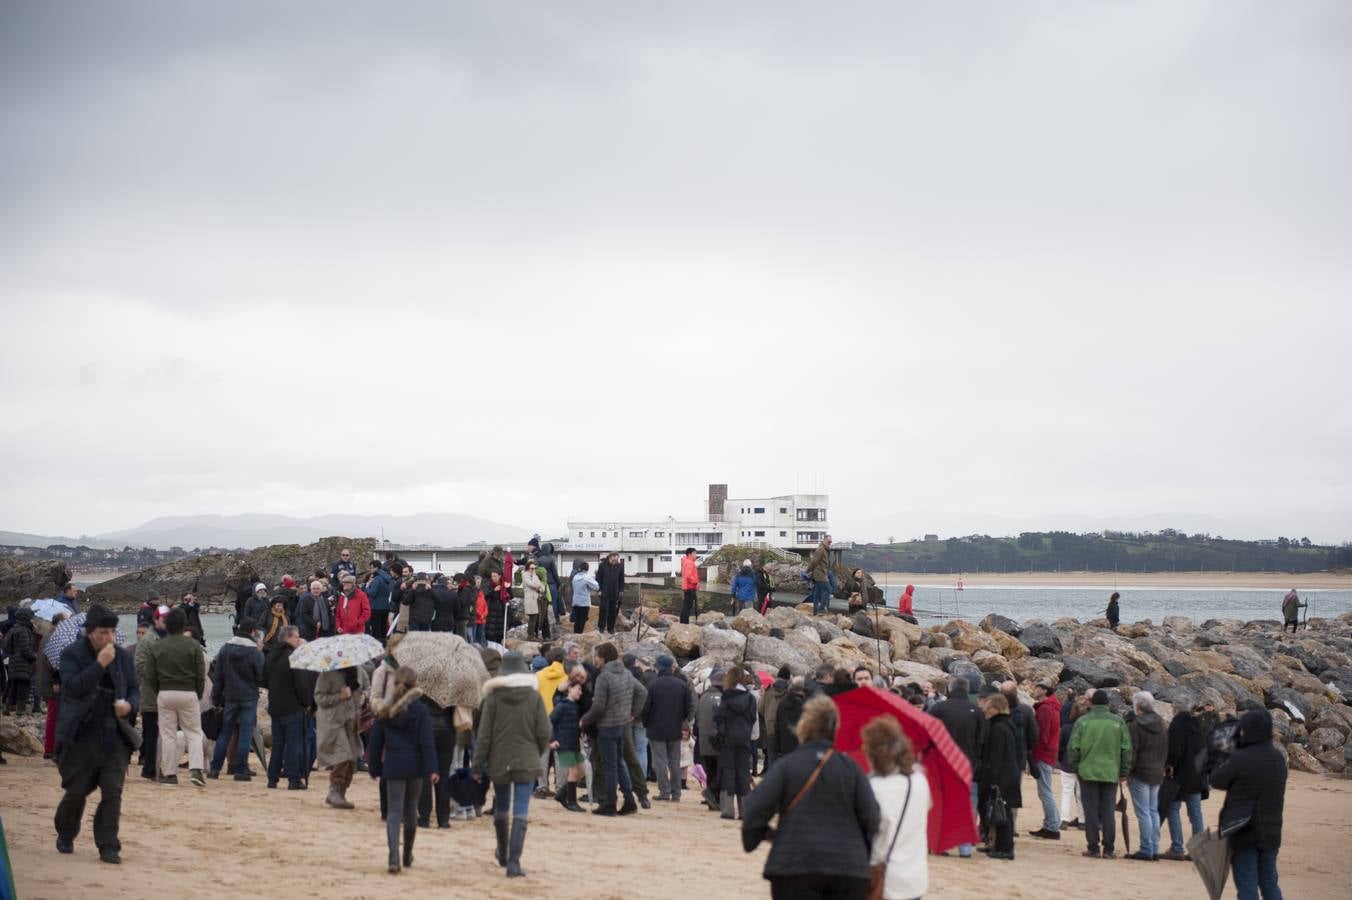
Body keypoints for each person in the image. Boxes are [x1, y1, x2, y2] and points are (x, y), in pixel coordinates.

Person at [741, 695, 880, 900]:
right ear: (835, 729)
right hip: (848, 868)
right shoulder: (852, 769)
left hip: (795, 863)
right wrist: (859, 849)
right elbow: (872, 817)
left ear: (803, 726)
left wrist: (763, 834)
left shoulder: (788, 765)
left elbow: (755, 806)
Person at [53, 604, 139, 864]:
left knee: (113, 792)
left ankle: (108, 845)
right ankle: (66, 832)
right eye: (103, 632)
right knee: (77, 791)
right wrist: (99, 665)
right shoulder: (72, 654)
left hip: (114, 737)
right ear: (90, 632)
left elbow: (135, 689)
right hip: (81, 736)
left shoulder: (123, 656)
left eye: (112, 631)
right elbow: (73, 687)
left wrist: (130, 705)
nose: (109, 638)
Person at [474, 650, 552, 878]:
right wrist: (535, 752)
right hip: (527, 759)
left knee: (501, 809)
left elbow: (484, 735)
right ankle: (514, 863)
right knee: (520, 811)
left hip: (499, 759)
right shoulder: (534, 697)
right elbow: (544, 731)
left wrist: (478, 765)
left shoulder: (493, 698)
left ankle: (503, 852)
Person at [1211, 708, 1287, 900]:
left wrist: (1228, 752)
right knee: (1269, 884)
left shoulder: (1241, 757)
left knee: (1247, 886)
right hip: (1271, 829)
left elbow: (1217, 779)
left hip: (1244, 828)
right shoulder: (1279, 759)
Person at [367, 666, 437, 874]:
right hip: (415, 766)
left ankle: (393, 857)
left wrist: (374, 768)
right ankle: (407, 854)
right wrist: (431, 768)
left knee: (394, 812)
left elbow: (376, 742)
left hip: (393, 765)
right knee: (410, 811)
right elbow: (427, 742)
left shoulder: (386, 709)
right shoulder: (420, 710)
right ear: (415, 684)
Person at [864, 715, 932, 900]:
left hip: (882, 877)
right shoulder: (919, 782)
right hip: (914, 877)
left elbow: (869, 833)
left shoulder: (874, 788)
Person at [579, 642, 646, 816]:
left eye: (597, 657)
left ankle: (610, 803)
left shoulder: (604, 677)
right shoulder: (626, 673)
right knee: (619, 764)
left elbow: (599, 706)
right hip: (622, 724)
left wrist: (584, 720)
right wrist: (632, 713)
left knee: (609, 767)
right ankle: (629, 800)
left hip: (607, 726)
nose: (595, 660)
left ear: (602, 657)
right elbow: (642, 692)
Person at [143, 606, 207, 787]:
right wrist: (198, 692)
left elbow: (150, 675)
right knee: (193, 733)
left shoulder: (157, 646)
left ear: (167, 625)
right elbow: (200, 674)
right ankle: (196, 770)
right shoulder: (193, 645)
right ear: (183, 625)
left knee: (168, 734)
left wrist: (159, 691)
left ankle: (170, 774)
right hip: (188, 692)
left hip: (165, 692)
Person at [1068, 689, 1132, 859]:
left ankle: (1093, 847)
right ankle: (1109, 848)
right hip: (1110, 771)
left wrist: (1076, 767)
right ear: (1107, 704)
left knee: (1090, 810)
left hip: (1087, 770)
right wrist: (1124, 771)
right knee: (1108, 810)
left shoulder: (1083, 721)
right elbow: (1126, 749)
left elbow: (1073, 748)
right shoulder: (1118, 722)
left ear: (1092, 703)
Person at [931, 674, 987, 858]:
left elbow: (928, 732)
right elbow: (982, 739)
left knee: (943, 804)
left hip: (942, 762)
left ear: (951, 688)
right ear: (968, 690)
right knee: (966, 806)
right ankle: (965, 848)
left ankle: (942, 845)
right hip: (967, 764)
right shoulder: (976, 711)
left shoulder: (939, 707)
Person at [209, 617, 264, 781]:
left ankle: (215, 768)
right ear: (253, 632)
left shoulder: (225, 648)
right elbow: (262, 675)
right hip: (248, 696)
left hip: (230, 696)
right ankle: (240, 770)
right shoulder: (254, 651)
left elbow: (218, 676)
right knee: (246, 732)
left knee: (225, 732)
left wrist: (216, 698)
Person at [315, 661, 368, 809]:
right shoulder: (327, 674)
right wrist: (340, 695)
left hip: (352, 722)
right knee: (343, 755)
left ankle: (342, 792)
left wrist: (365, 696)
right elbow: (319, 698)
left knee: (352, 759)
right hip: (333, 722)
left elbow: (367, 687)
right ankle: (334, 791)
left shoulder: (359, 671)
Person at [1161, 701, 1209, 861]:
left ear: (1175, 709)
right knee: (1195, 813)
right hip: (1196, 775)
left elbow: (1174, 749)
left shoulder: (1176, 724)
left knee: (1172, 809)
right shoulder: (1198, 724)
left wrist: (1169, 766)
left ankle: (1177, 847)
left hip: (1180, 775)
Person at [264, 626, 311, 790]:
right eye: (296, 637)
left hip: (276, 705)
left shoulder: (272, 656)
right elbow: (302, 685)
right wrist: (306, 702)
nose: (298, 640)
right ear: (288, 639)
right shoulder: (294, 658)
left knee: (278, 744)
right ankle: (293, 778)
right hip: (292, 706)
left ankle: (272, 778)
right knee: (293, 744)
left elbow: (264, 678)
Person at [1124, 690, 1168, 861]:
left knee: (1143, 812)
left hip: (1141, 772)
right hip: (1157, 771)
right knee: (1152, 810)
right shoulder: (1161, 722)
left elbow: (1132, 752)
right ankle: (1154, 847)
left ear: (1137, 707)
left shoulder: (1136, 725)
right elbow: (1166, 746)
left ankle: (1146, 848)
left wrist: (1127, 772)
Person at [644, 655, 694, 802]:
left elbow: (646, 708)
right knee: (675, 762)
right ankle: (676, 793)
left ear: (659, 667)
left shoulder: (653, 685)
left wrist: (647, 723)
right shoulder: (682, 685)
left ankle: (664, 791)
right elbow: (688, 707)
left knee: (660, 762)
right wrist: (683, 721)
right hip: (675, 728)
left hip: (656, 728)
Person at [978, 692, 1021, 860]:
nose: (985, 710)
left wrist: (993, 780)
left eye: (988, 707)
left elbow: (996, 756)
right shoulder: (1006, 725)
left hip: (1001, 777)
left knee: (1002, 814)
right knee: (1003, 813)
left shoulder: (998, 727)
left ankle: (1005, 848)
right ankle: (1000, 845)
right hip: (1008, 774)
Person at [714, 665, 757, 819]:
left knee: (729, 771)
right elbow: (753, 718)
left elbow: (719, 717)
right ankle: (745, 810)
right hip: (744, 738)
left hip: (728, 738)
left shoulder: (726, 697)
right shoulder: (750, 698)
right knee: (743, 772)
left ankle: (728, 809)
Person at [1027, 681, 1063, 841]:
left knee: (1045, 792)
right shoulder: (1051, 707)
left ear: (1043, 690)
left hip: (1044, 755)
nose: (1033, 690)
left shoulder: (1045, 709)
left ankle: (1052, 825)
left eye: (1036, 687)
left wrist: (1034, 757)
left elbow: (1042, 735)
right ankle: (1051, 823)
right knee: (1045, 791)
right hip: (1049, 753)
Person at [696, 667, 725, 811]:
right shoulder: (723, 699)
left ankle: (712, 800)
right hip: (718, 742)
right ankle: (713, 794)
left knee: (710, 771)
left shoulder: (703, 697)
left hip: (703, 741)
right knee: (721, 772)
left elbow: (697, 718)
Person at [2, 607, 38, 715]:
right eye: (31, 617)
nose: (32, 619)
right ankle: (20, 710)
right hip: (22, 662)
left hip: (14, 660)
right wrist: (35, 656)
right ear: (26, 618)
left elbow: (6, 646)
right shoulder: (24, 630)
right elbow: (25, 649)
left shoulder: (15, 628)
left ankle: (7, 708)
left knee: (13, 685)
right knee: (23, 686)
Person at [758, 665, 790, 772]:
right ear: (788, 678)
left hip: (770, 729)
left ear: (778, 676)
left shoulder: (769, 691)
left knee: (772, 757)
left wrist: (768, 716)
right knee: (785, 758)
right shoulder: (789, 692)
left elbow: (760, 708)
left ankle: (772, 783)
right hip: (784, 730)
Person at [597, 552, 626, 633]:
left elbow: (621, 579)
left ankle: (611, 628)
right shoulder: (602, 565)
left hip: (615, 591)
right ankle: (601, 627)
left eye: (616, 560)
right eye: (613, 560)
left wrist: (621, 590)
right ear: (609, 558)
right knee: (603, 610)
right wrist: (599, 590)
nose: (614, 562)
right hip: (604, 591)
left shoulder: (620, 566)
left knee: (613, 611)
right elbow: (598, 578)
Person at [365, 561, 394, 641]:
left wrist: (367, 587)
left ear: (376, 568)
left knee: (376, 630)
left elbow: (373, 593)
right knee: (383, 629)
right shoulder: (386, 578)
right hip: (385, 606)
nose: (370, 570)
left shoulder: (377, 579)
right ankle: (384, 645)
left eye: (371, 568)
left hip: (376, 607)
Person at [806, 535, 833, 615]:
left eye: (831, 542)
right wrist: (808, 571)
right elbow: (814, 561)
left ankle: (815, 611)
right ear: (824, 540)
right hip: (820, 574)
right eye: (829, 541)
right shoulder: (821, 549)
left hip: (820, 574)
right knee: (828, 590)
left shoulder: (825, 549)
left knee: (817, 593)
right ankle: (821, 609)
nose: (830, 543)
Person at [570, 563, 599, 635]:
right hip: (584, 602)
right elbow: (596, 587)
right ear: (587, 569)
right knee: (582, 620)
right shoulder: (587, 577)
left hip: (575, 601)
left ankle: (575, 634)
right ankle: (579, 635)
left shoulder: (575, 577)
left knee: (577, 619)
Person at [521, 561, 546, 640]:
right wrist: (538, 586)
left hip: (535, 599)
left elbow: (542, 586)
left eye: (534, 568)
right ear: (528, 568)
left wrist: (539, 587)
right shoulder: (525, 575)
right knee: (533, 617)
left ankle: (532, 635)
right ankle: (530, 635)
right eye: (532, 568)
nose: (533, 570)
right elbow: (532, 584)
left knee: (535, 617)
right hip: (530, 600)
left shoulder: (534, 575)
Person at [679, 548, 700, 624]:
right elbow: (688, 576)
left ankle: (683, 621)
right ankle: (684, 622)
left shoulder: (686, 562)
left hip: (687, 587)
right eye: (694, 553)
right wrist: (695, 582)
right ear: (690, 554)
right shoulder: (690, 563)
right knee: (688, 606)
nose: (696, 555)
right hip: (690, 587)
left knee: (686, 605)